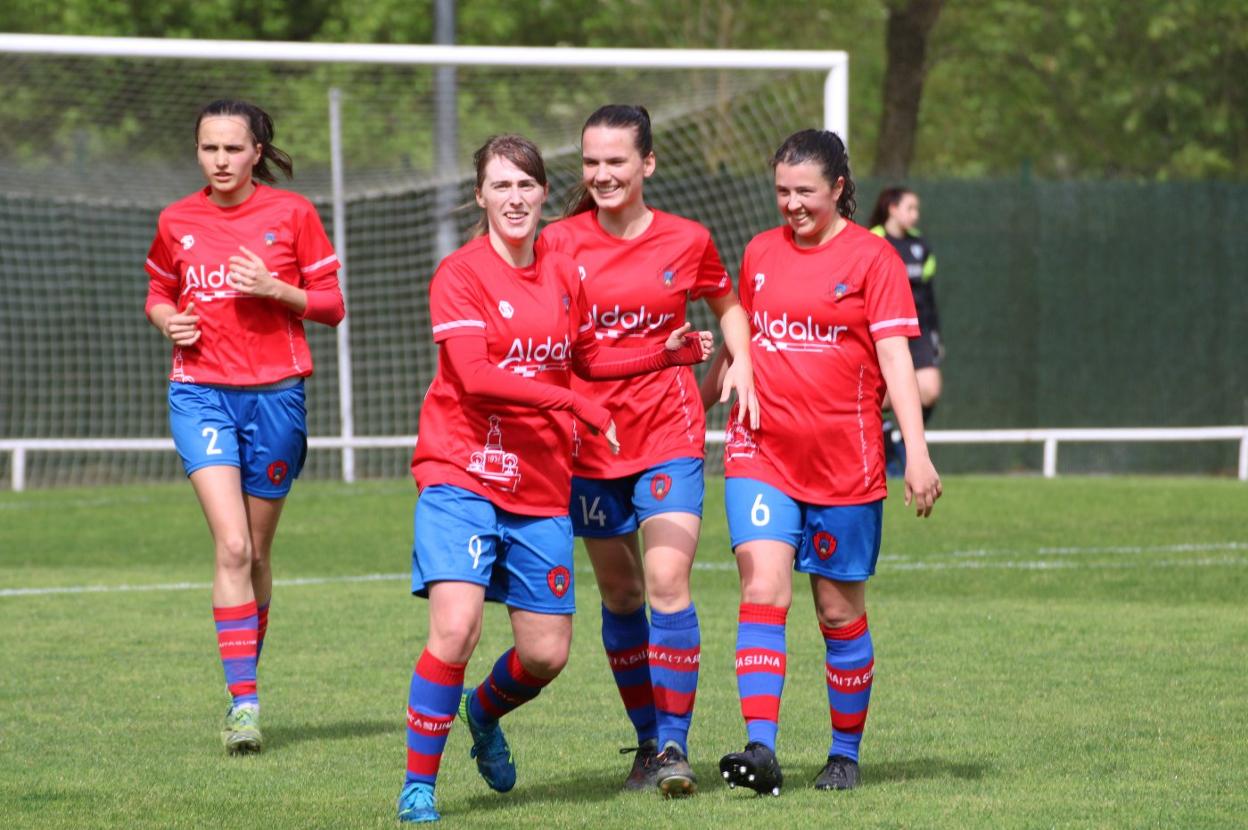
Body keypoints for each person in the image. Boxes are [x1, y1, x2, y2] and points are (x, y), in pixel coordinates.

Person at [397, 134, 712, 824]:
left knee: (544, 655)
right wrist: (570, 403)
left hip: (539, 485)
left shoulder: (564, 270)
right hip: (461, 471)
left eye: (526, 186)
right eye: (500, 186)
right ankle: (419, 787)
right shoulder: (460, 273)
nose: (514, 198)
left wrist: (662, 355)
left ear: (544, 195)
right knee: (456, 629)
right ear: (479, 195)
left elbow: (590, 358)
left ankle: (482, 713)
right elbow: (474, 377)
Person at [703, 130, 941, 796]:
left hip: (846, 461)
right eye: (781, 191)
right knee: (762, 589)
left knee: (837, 612)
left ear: (838, 188)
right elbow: (740, 334)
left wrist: (916, 454)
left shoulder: (875, 260)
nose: (791, 205)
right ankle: (762, 748)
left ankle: (843, 753)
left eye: (804, 192)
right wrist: (697, 402)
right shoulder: (759, 251)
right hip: (762, 448)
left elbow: (897, 359)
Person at [537, 104, 758, 797]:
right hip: (589, 444)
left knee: (666, 583)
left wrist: (739, 360)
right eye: (592, 162)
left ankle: (672, 747)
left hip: (668, 434)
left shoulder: (687, 240)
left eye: (616, 162)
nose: (602, 174)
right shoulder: (557, 244)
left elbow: (728, 304)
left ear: (647, 165)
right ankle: (643, 739)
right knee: (622, 591)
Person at [143, 99, 345, 754]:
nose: (221, 160)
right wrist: (165, 320)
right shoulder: (177, 220)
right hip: (199, 393)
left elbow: (333, 307)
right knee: (231, 548)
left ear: (258, 150)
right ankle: (245, 705)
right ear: (197, 152)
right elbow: (157, 291)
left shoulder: (293, 215)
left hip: (277, 398)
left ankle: (242, 687)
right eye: (209, 149)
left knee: (256, 553)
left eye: (233, 148)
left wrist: (274, 289)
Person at [868, 187, 942, 473]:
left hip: (918, 329)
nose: (915, 215)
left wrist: (935, 335)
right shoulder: (872, 240)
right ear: (893, 209)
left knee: (930, 390)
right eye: (910, 208)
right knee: (882, 398)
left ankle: (902, 440)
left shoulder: (920, 247)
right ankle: (885, 442)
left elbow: (928, 295)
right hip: (884, 329)